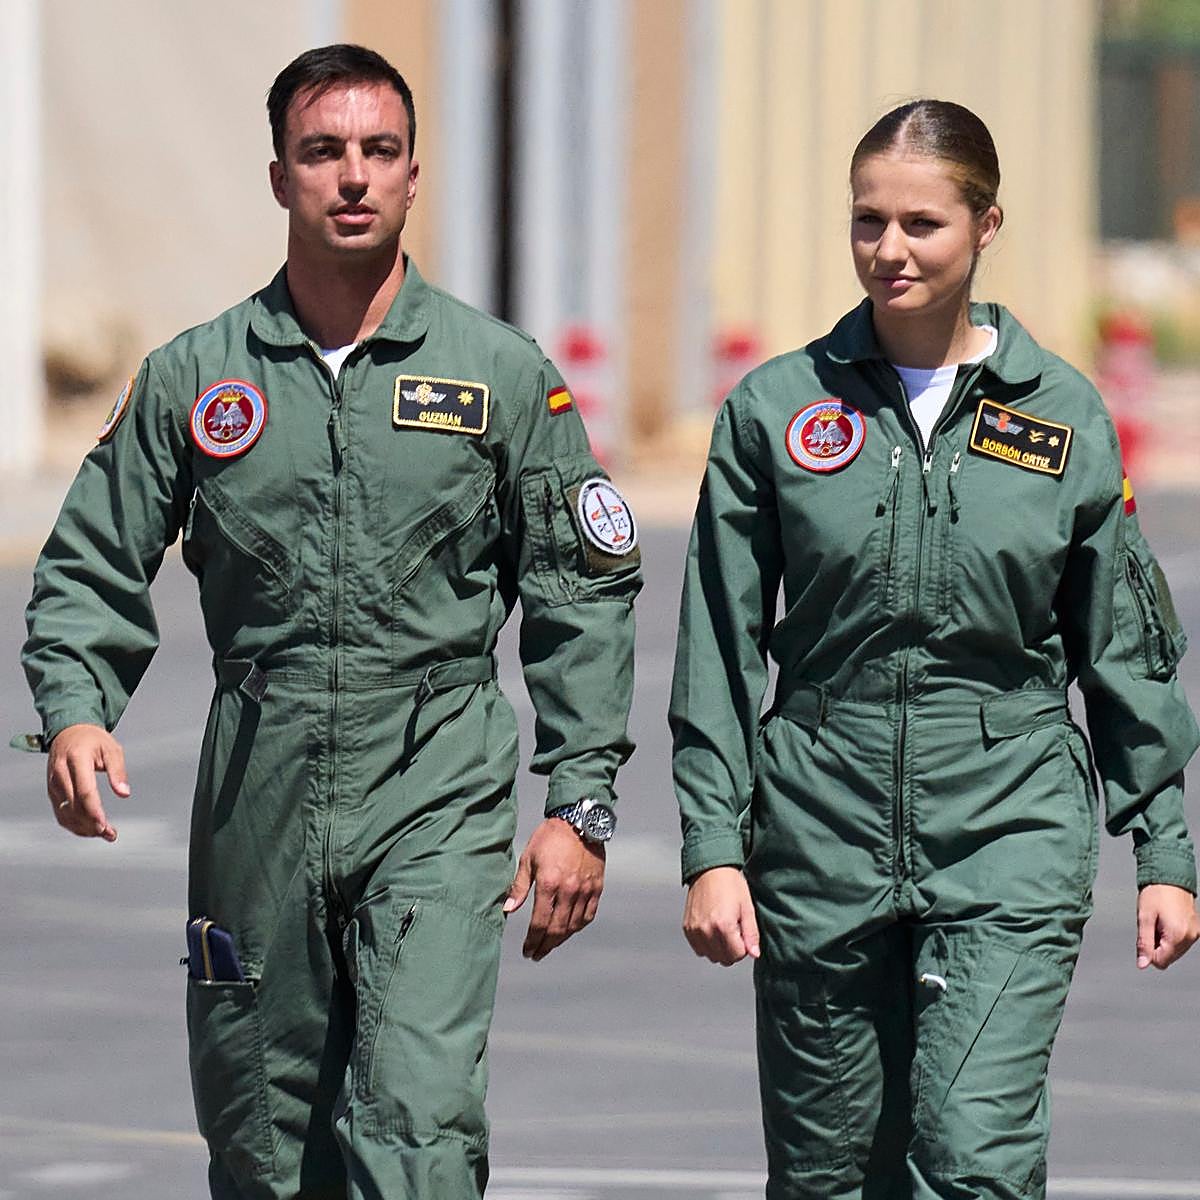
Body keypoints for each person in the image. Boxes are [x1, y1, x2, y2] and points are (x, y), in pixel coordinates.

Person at [21, 44, 641, 1200]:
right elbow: (92, 558)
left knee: (418, 1120)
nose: (353, 176)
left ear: (412, 174)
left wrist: (581, 803)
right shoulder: (195, 377)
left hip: (436, 778)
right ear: (279, 177)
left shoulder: (501, 376)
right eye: (322, 152)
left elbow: (582, 589)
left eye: (379, 151)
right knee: (262, 1134)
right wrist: (75, 710)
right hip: (258, 790)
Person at [670, 99, 1199, 1199]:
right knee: (827, 1173)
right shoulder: (776, 410)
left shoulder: (1062, 418)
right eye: (869, 221)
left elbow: (1120, 647)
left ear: (986, 225)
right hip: (820, 827)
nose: (890, 250)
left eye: (922, 223)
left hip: (1006, 820)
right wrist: (714, 846)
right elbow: (718, 643)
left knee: (973, 1160)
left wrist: (1165, 850)